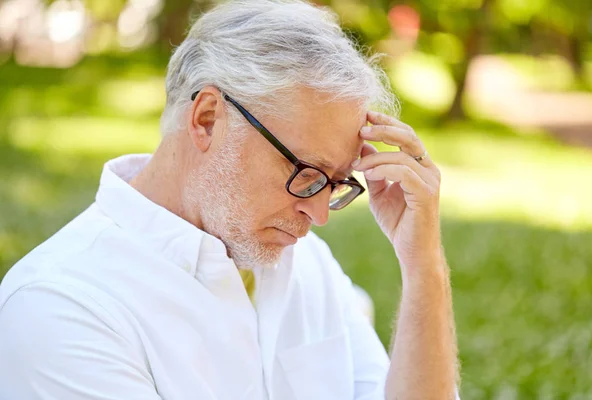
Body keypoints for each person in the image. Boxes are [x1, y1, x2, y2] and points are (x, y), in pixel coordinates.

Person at [0, 1, 459, 399]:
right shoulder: (60, 306)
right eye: (305, 173)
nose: (318, 216)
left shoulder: (307, 263)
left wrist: (424, 266)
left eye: (336, 184)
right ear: (206, 119)